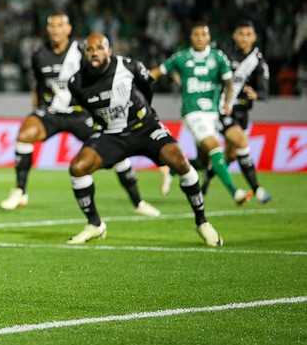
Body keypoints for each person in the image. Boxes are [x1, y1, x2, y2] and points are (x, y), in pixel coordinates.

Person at [66, 33, 222, 246]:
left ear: (109, 51)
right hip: (113, 135)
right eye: (90, 49)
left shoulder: (129, 67)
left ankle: (202, 222)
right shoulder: (77, 82)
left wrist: (146, 113)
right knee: (78, 168)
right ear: (85, 53)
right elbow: (87, 108)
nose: (94, 53)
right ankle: (95, 224)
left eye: (99, 48)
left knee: (180, 162)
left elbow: (148, 87)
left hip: (145, 128)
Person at [0, 14, 160, 218]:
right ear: (47, 30)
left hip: (81, 113)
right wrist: (36, 108)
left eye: (60, 26)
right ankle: (20, 191)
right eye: (52, 26)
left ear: (68, 29)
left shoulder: (82, 51)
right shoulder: (39, 54)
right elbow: (38, 84)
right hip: (52, 112)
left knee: (115, 151)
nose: (56, 30)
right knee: (24, 135)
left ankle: (138, 201)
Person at [150, 22, 253, 205]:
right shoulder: (181, 57)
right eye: (196, 35)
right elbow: (157, 73)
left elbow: (229, 83)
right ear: (191, 38)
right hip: (192, 112)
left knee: (204, 161)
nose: (199, 38)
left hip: (212, 114)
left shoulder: (218, 57)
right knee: (214, 147)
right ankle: (234, 192)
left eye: (203, 35)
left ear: (209, 37)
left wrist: (228, 103)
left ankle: (172, 170)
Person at [201, 21, 271, 203]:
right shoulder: (223, 52)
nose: (244, 38)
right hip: (222, 110)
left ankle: (206, 179)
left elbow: (264, 90)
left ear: (254, 37)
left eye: (248, 34)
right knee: (241, 142)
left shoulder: (257, 61)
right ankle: (257, 189)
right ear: (234, 35)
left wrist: (256, 94)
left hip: (242, 113)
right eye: (241, 34)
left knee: (230, 155)